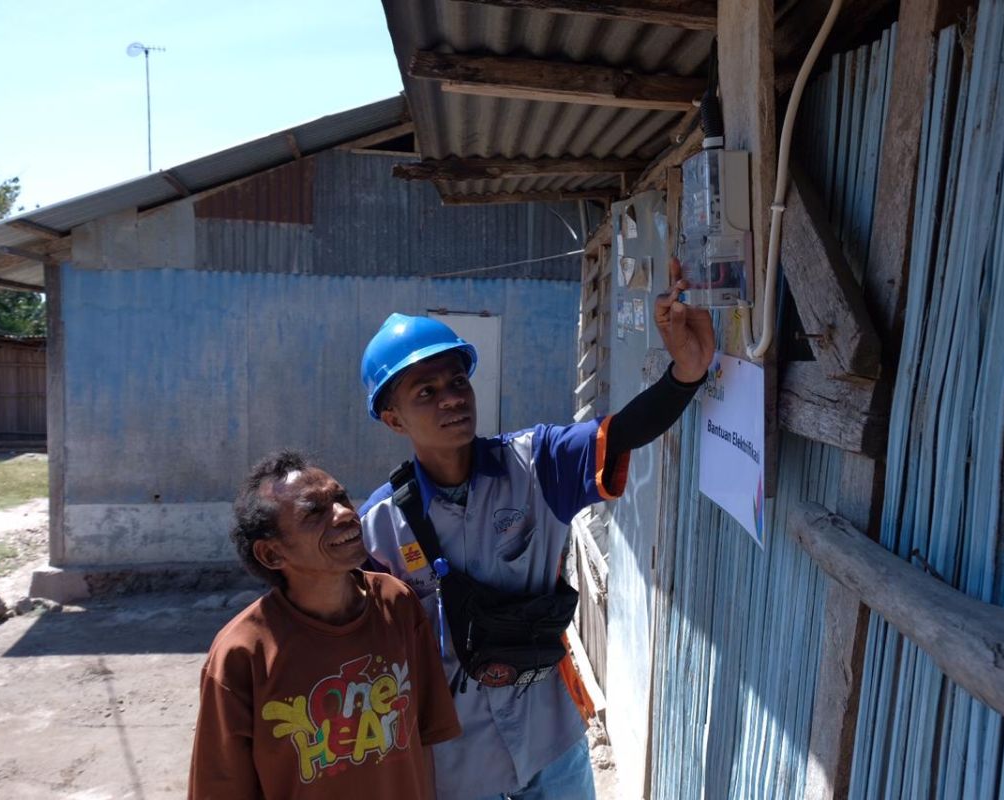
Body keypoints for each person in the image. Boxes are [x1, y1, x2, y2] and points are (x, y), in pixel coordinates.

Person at [358, 265, 715, 800]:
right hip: (456, 763)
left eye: (457, 381)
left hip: (550, 740)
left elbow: (622, 431)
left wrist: (685, 373)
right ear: (393, 419)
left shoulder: (537, 463)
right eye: (425, 392)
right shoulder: (379, 526)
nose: (451, 398)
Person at [189, 450, 461, 799]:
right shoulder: (241, 653)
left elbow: (423, 738)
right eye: (314, 512)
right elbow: (222, 788)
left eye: (341, 497)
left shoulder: (398, 604)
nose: (346, 513)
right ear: (272, 554)